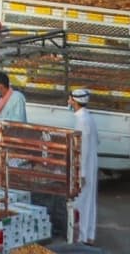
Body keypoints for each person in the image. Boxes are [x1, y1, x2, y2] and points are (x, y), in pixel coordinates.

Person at [70, 89, 98, 244]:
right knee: (88, 201)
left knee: (82, 202)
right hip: (90, 164)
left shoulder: (83, 120)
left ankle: (83, 237)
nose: (68, 102)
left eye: (69, 100)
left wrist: (82, 172)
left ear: (74, 101)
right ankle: (88, 235)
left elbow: (84, 147)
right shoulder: (88, 117)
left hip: (85, 167)